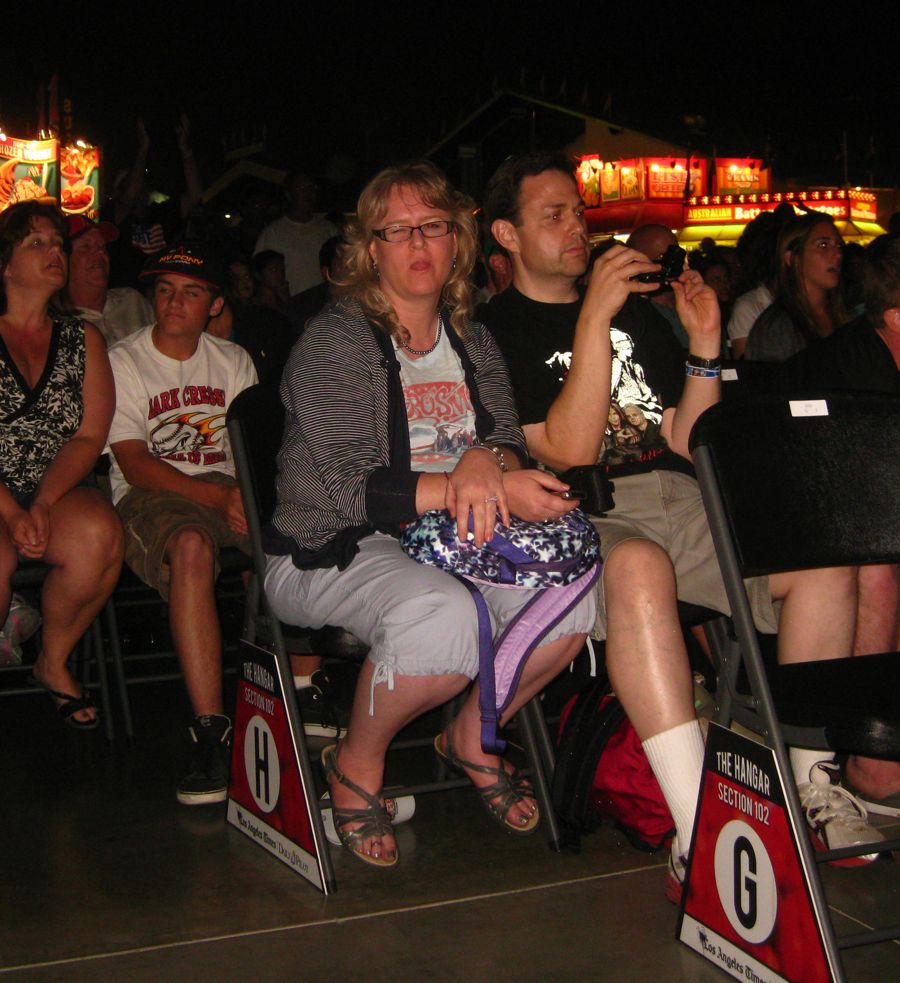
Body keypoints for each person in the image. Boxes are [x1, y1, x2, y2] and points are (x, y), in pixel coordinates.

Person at [479, 151, 883, 900]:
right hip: (583, 510)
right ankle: (699, 823)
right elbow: (564, 446)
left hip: (680, 495)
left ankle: (814, 786)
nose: (577, 226)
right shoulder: (491, 331)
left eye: (578, 209)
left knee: (817, 556)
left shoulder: (636, 311)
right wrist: (592, 315)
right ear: (505, 233)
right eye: (554, 214)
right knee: (637, 567)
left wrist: (702, 342)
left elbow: (687, 434)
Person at [263, 160, 595, 868]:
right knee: (444, 616)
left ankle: (477, 732)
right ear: (370, 247)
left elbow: (502, 437)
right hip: (331, 543)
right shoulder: (335, 340)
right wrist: (468, 477)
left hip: (446, 538)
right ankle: (355, 765)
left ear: (458, 242)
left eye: (434, 227)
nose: (419, 243)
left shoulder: (471, 338)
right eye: (398, 230)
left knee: (574, 599)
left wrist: (494, 465)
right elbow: (353, 487)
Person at [107, 244, 257, 803]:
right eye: (165, 290)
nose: (174, 302)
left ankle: (299, 688)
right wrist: (218, 499)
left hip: (222, 489)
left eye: (191, 292)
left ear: (214, 303)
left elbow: (245, 446)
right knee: (191, 547)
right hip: (152, 497)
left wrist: (242, 494)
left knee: (289, 531)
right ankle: (211, 731)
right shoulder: (123, 360)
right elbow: (133, 462)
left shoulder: (233, 360)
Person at [782, 234, 900, 801]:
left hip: (856, 520)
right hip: (794, 529)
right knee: (878, 564)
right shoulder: (854, 372)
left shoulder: (879, 352)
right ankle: (870, 755)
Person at [0, 202, 123, 727]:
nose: (56, 252)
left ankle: (51, 661)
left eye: (58, 244)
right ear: (4, 263)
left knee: (99, 533)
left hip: (53, 487)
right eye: (37, 243)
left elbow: (89, 435)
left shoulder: (82, 338)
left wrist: (44, 502)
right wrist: (11, 512)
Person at [745, 212, 849, 362]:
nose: (837, 254)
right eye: (823, 245)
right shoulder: (778, 327)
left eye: (839, 245)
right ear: (793, 258)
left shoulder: (843, 315)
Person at [63, 215, 153, 345]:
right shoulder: (58, 325)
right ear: (63, 259)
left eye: (102, 246)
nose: (100, 252)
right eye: (85, 247)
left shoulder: (132, 299)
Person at [254, 172, 338, 296]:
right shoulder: (273, 233)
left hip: (327, 304)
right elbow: (259, 274)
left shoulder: (328, 228)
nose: (308, 193)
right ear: (289, 195)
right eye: (302, 188)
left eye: (311, 188)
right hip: (292, 306)